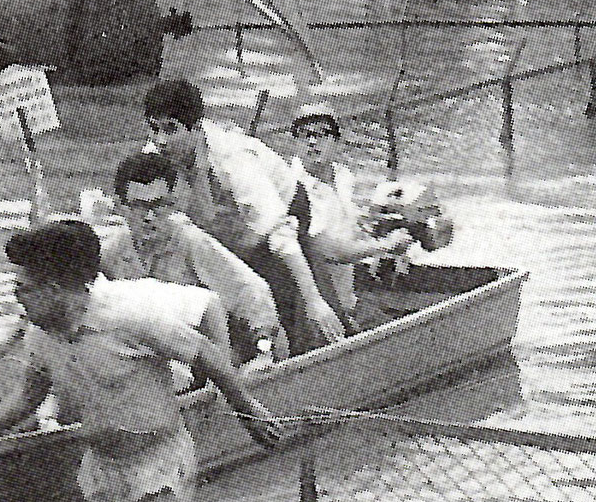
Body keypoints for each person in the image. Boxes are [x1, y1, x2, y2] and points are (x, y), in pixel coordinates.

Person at [0, 220, 284, 502]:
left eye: (23, 289)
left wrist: (248, 411)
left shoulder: (130, 318)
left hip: (158, 462)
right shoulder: (39, 336)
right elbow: (26, 398)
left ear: (53, 289)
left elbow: (205, 352)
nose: (17, 299)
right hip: (99, 470)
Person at [141, 76, 346, 352]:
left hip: (286, 209)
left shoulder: (233, 158)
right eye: (154, 129)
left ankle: (328, 337)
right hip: (228, 221)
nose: (161, 140)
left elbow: (281, 233)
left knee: (296, 291)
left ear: (195, 127)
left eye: (171, 130)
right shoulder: (154, 153)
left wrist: (313, 300)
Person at [97, 149, 282, 365]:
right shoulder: (111, 252)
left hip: (211, 360)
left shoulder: (190, 241)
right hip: (154, 364)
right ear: (120, 206)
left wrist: (264, 352)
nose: (149, 217)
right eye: (139, 207)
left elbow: (251, 292)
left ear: (172, 202)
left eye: (158, 205)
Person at [282, 101, 408, 326]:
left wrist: (382, 217)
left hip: (349, 297)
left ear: (337, 141)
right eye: (304, 134)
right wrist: (386, 246)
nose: (312, 141)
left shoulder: (342, 175)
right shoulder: (295, 188)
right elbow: (327, 249)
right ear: (294, 142)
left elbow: (350, 223)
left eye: (322, 134)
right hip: (318, 307)